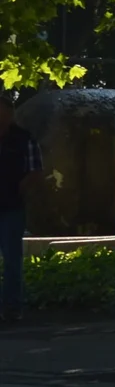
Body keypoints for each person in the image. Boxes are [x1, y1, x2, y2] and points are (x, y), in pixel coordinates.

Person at [0, 95, 38, 325]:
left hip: (12, 207)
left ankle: (12, 307)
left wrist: (21, 188)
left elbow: (35, 170)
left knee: (13, 260)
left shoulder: (23, 139)